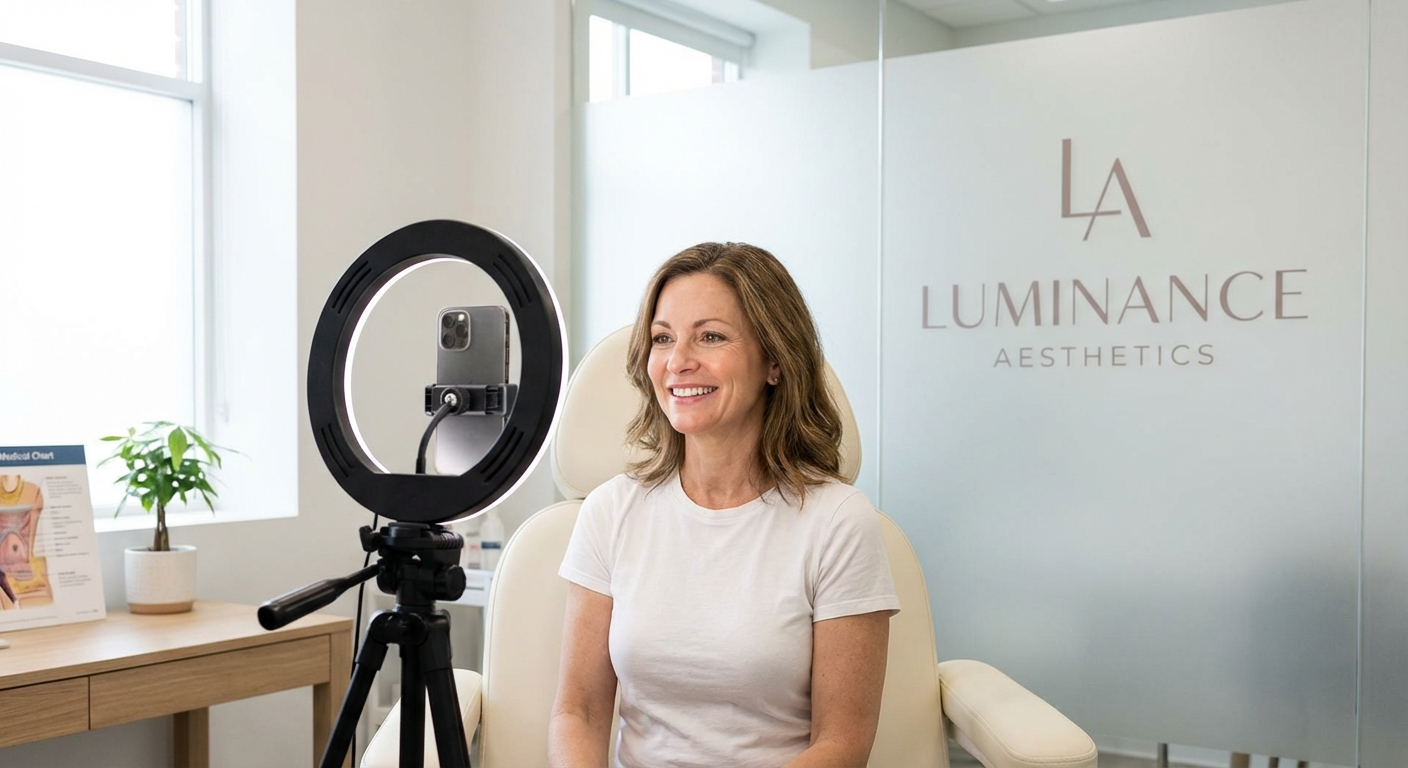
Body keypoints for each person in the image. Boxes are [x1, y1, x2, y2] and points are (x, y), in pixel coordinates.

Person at [549, 242, 899, 768]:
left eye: (710, 336)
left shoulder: (837, 522)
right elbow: (578, 712)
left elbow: (842, 743)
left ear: (775, 362)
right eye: (662, 338)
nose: (678, 362)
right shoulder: (611, 511)